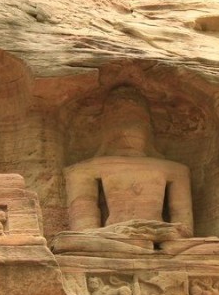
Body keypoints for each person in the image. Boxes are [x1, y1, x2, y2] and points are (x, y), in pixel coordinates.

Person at [64, 86, 193, 236]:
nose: (128, 128)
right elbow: (83, 232)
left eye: (136, 120)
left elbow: (185, 230)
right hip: (110, 240)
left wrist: (148, 231)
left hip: (160, 238)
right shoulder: (83, 170)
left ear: (149, 126)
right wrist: (123, 231)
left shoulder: (175, 170)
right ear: (105, 126)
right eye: (119, 120)